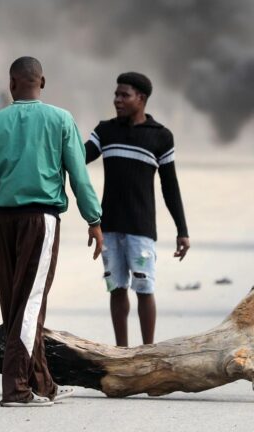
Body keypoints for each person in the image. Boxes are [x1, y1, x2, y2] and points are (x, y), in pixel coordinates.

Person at [0, 57, 104, 407]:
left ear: (11, 83)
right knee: (28, 305)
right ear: (42, 82)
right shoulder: (61, 119)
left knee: (18, 305)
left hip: (4, 223)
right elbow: (79, 175)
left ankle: (43, 384)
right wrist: (94, 219)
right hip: (40, 221)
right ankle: (16, 389)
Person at [84, 72, 190, 347]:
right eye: (116, 94)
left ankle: (147, 352)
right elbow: (79, 157)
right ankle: (121, 353)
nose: (117, 100)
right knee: (116, 288)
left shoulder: (160, 137)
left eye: (124, 95)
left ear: (140, 98)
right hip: (109, 227)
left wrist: (182, 230)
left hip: (141, 229)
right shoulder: (105, 131)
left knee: (144, 288)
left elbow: (170, 186)